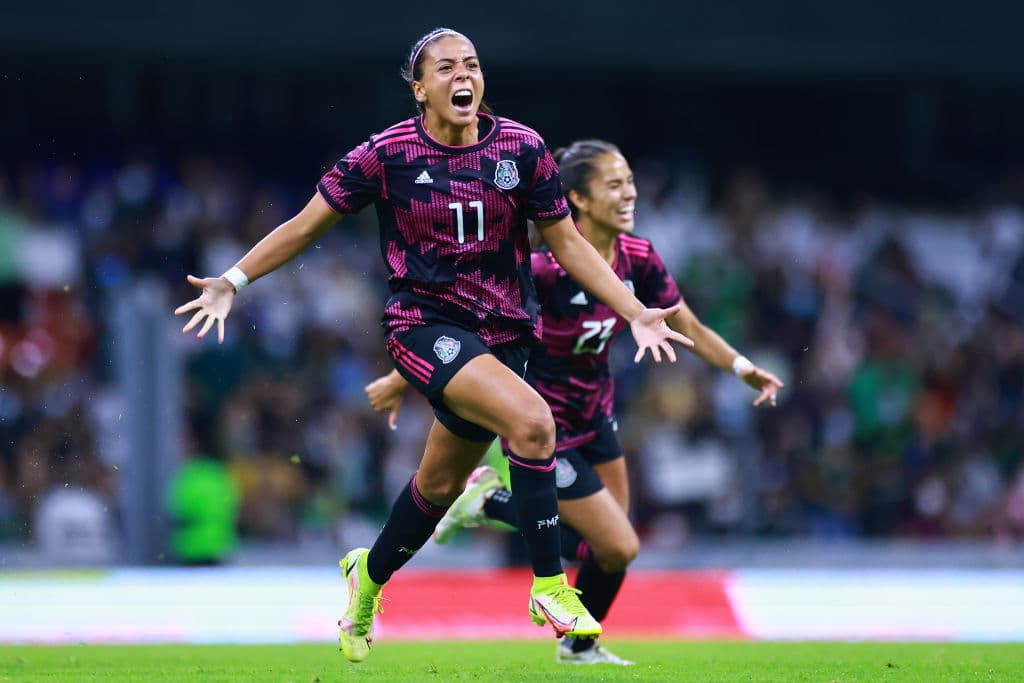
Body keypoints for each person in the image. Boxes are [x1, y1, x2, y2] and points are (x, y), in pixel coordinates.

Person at [174, 31, 692, 664]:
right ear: (419, 89)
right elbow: (306, 226)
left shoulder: (522, 149)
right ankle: (550, 587)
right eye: (445, 68)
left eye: (471, 64)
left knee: (439, 485)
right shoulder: (386, 154)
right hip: (423, 326)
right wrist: (233, 280)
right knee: (534, 424)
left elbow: (568, 244)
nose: (462, 75)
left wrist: (635, 311)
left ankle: (366, 578)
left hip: (505, 338)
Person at [364, 139, 783, 665]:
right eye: (615, 185)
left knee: (609, 551)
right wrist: (402, 376)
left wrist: (742, 368)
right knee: (621, 545)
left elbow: (690, 327)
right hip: (544, 424)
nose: (629, 194)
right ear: (579, 199)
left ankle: (569, 632)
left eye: (630, 182)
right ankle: (496, 516)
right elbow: (474, 329)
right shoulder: (543, 270)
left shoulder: (638, 258)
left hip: (597, 416)